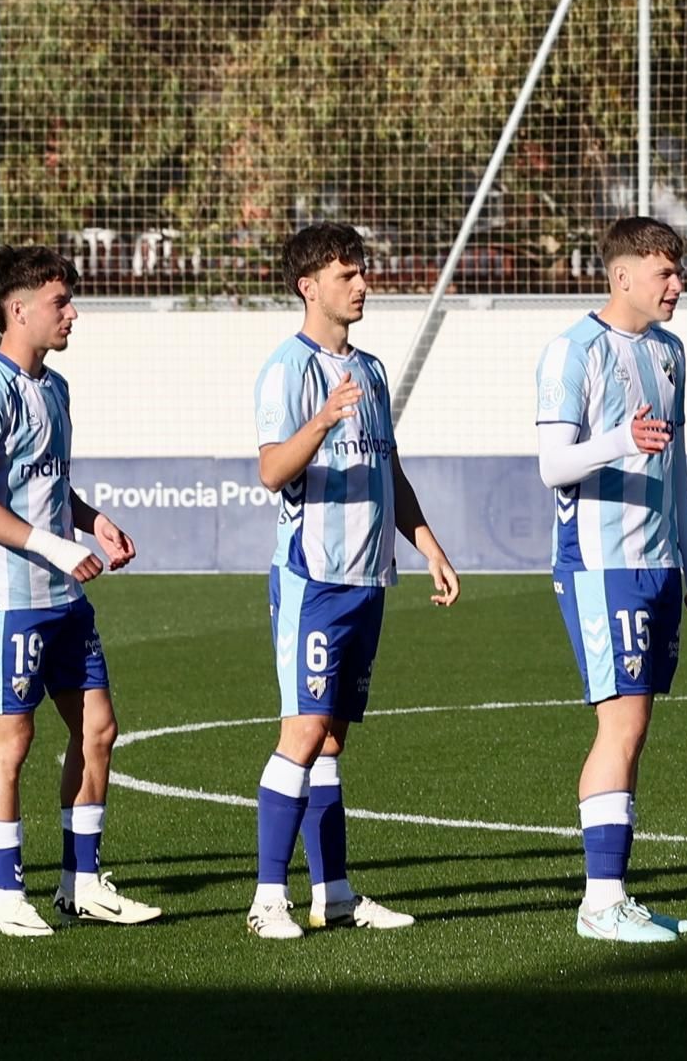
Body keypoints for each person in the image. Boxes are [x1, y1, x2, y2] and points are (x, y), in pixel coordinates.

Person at [246, 223, 460, 940]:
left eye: (361, 271)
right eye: (346, 275)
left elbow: (386, 468)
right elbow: (273, 471)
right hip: (315, 580)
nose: (362, 283)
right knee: (302, 731)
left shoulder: (368, 369)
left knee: (333, 740)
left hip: (369, 580)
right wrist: (321, 420)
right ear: (309, 287)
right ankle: (267, 899)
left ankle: (333, 891)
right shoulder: (288, 369)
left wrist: (428, 546)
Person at [0, 245, 161, 937]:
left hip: (63, 594)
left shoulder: (55, 388)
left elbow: (46, 485)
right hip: (9, 600)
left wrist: (92, 521)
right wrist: (54, 546)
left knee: (99, 729)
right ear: (18, 309)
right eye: (59, 301)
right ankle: (8, 899)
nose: (72, 313)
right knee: (11, 743)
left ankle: (82, 882)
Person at [535, 216, 687, 944]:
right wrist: (618, 441)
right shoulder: (574, 351)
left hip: (656, 564)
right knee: (622, 722)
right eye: (664, 272)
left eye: (678, 271)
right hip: (601, 564)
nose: (678, 284)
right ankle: (600, 902)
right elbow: (553, 466)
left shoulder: (669, 352)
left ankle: (615, 897)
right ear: (622, 276)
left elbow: (676, 468)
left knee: (635, 728)